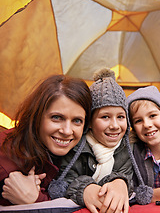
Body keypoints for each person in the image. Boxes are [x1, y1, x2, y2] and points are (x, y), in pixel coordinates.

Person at [0, 74, 92, 206]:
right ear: (37, 116)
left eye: (77, 121)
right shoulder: (5, 157)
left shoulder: (83, 153)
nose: (66, 131)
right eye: (56, 117)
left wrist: (33, 200)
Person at [59, 68, 133, 213]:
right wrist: (85, 188)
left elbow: (128, 177)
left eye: (120, 117)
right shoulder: (76, 147)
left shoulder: (126, 149)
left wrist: (120, 182)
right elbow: (65, 179)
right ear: (90, 122)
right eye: (105, 117)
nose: (115, 126)